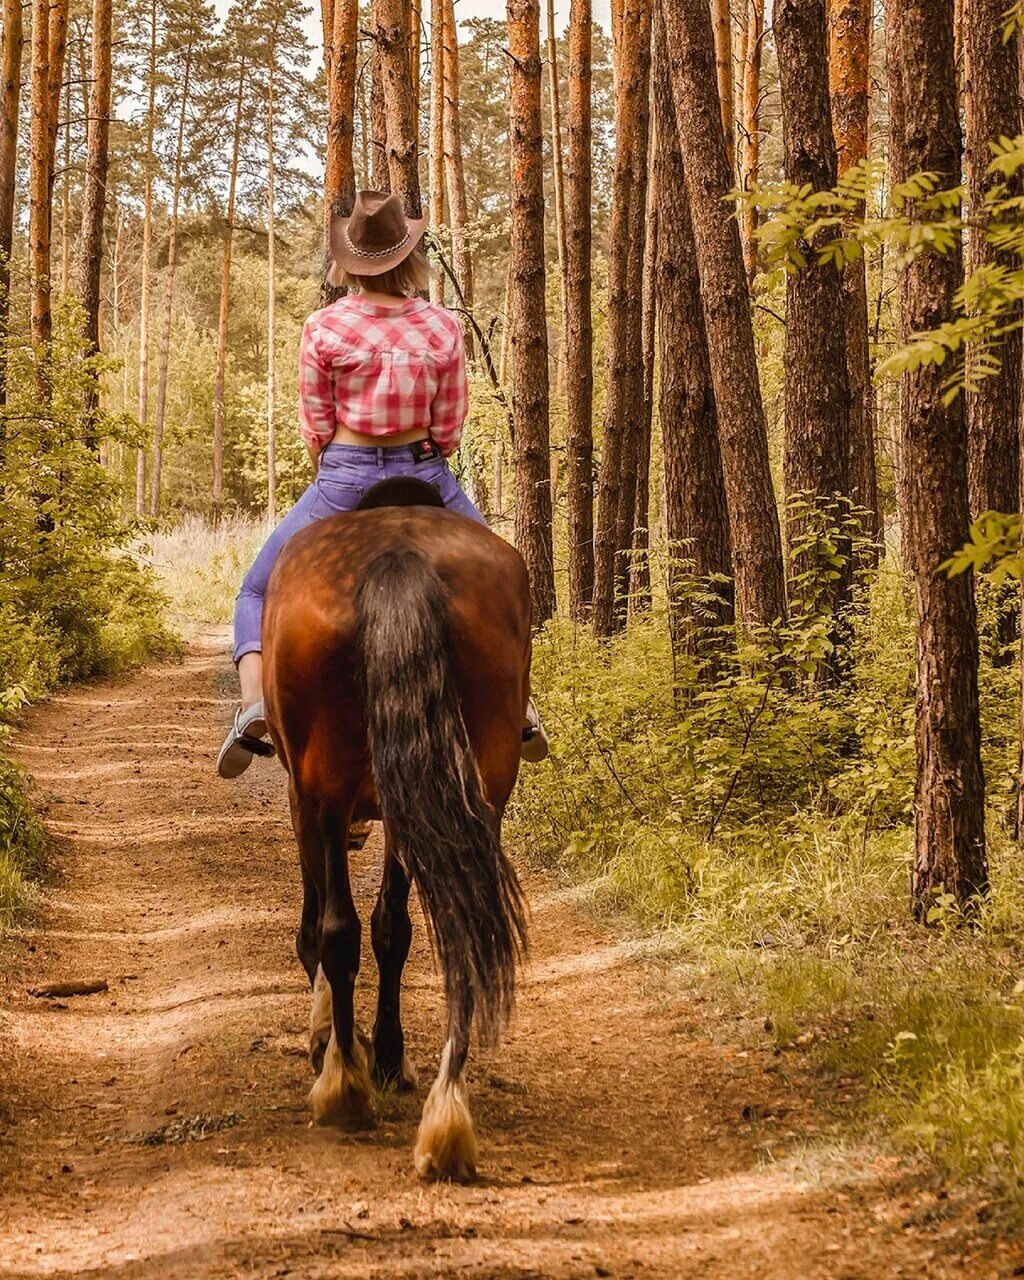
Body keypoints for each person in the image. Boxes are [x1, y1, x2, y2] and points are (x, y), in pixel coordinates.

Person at [217, 190, 548, 779]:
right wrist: (424, 454)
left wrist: (341, 459)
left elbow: (315, 423)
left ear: (351, 259)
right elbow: (450, 424)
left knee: (257, 589)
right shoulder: (442, 326)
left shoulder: (323, 327)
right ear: (409, 256)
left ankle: (253, 708)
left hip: (344, 476)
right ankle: (518, 708)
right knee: (505, 580)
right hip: (425, 471)